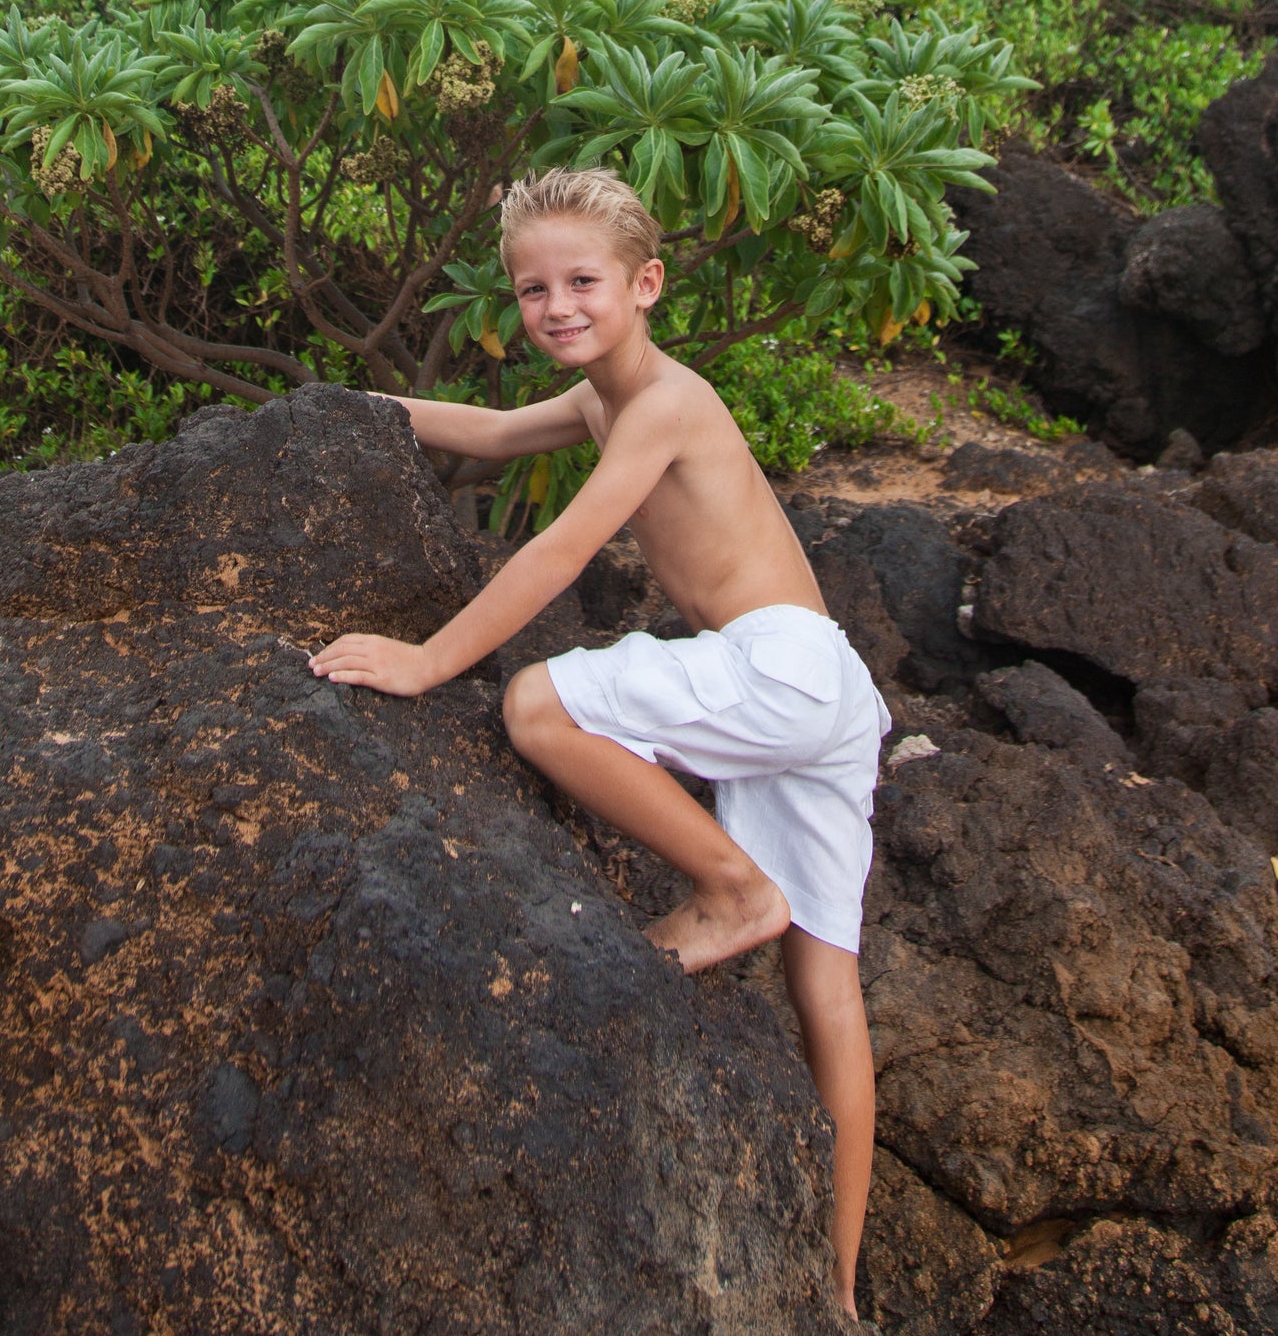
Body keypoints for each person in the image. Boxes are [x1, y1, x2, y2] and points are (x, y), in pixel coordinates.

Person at [312, 165, 891, 1322]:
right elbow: (481, 429)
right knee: (824, 980)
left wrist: (430, 663)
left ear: (646, 286)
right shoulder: (600, 401)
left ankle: (730, 886)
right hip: (820, 688)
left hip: (776, 668)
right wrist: (347, 412)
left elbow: (562, 553)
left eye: (582, 282)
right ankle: (835, 1286)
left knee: (537, 705)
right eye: (532, 290)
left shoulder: (666, 402)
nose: (556, 307)